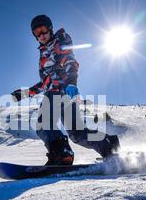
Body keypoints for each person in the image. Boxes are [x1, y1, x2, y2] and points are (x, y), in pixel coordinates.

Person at [12, 15, 120, 166]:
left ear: (50, 29)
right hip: (61, 93)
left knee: (43, 125)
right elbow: (45, 82)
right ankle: (108, 144)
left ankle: (62, 155)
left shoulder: (60, 41)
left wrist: (71, 82)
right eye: (37, 32)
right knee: (77, 134)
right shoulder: (43, 53)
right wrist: (25, 93)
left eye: (43, 30)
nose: (41, 35)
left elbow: (70, 61)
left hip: (60, 92)